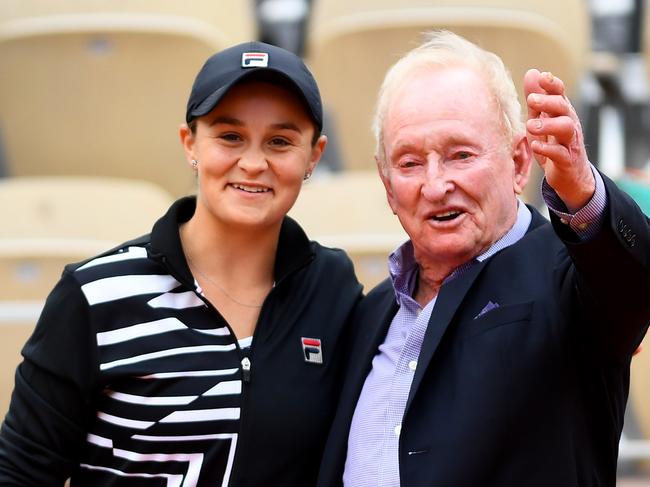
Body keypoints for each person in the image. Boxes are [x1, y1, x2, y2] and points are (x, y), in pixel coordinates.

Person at [0, 41, 362, 486]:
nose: (252, 163)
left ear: (314, 155)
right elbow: (19, 473)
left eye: (280, 142)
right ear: (189, 143)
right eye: (230, 136)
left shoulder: (333, 288)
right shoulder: (95, 295)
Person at [317, 30, 650, 487]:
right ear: (387, 183)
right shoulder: (370, 312)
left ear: (518, 162)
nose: (435, 186)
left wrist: (583, 193)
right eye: (410, 163)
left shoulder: (569, 275)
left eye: (460, 155)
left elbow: (633, 285)